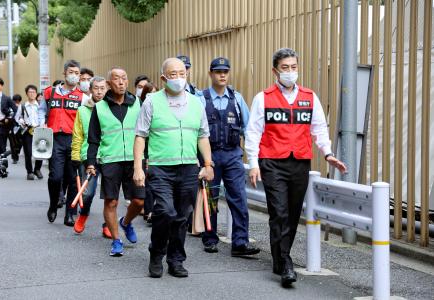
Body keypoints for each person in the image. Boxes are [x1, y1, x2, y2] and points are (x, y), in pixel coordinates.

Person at [245, 48, 347, 287]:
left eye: (294, 67)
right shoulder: (264, 97)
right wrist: (252, 164)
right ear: (275, 71)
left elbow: (319, 128)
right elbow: (253, 133)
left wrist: (328, 153)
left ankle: (280, 259)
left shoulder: (310, 97)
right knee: (279, 212)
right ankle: (286, 263)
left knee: (291, 214)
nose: (290, 72)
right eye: (285, 68)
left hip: (300, 162)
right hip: (271, 162)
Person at [133, 58, 214, 278]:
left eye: (182, 73)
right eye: (173, 74)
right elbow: (140, 136)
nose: (178, 78)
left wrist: (208, 163)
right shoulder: (151, 102)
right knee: (165, 211)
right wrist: (138, 168)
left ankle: (176, 259)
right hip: (160, 168)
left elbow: (203, 136)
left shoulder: (197, 102)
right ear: (163, 78)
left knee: (181, 216)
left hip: (188, 167)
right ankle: (156, 254)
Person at [199, 57, 260, 256]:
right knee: (211, 199)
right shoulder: (201, 98)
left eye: (225, 71)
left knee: (239, 198)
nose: (222, 75)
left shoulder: (237, 98)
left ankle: (240, 242)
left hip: (233, 155)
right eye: (218, 71)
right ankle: (209, 238)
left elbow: (248, 128)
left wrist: (253, 159)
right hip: (211, 156)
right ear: (211, 74)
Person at [86, 67, 145, 256]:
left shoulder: (138, 103)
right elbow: (93, 138)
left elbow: (146, 133)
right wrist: (90, 163)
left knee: (139, 201)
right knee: (111, 202)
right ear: (110, 84)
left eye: (124, 78)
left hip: (135, 160)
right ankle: (116, 240)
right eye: (116, 79)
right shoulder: (100, 107)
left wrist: (149, 158)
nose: (120, 82)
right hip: (110, 160)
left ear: (127, 82)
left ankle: (125, 222)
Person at [39, 59, 89, 226]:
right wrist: (41, 123)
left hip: (75, 140)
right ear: (64, 73)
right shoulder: (49, 92)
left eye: (77, 73)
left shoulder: (83, 97)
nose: (74, 76)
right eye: (71, 72)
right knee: (55, 177)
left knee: (73, 177)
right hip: (55, 139)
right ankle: (53, 205)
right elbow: (41, 110)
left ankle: (70, 214)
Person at [71, 76, 111, 238]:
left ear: (107, 89)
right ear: (90, 90)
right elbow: (78, 136)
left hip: (109, 155)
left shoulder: (112, 108)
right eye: (96, 88)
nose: (99, 91)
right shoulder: (82, 110)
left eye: (102, 88)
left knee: (110, 194)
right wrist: (75, 156)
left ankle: (108, 224)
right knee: (87, 193)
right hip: (89, 157)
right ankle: (83, 214)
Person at [138, 82, 158, 225]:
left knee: (154, 183)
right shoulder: (140, 108)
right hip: (144, 152)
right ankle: (149, 211)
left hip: (156, 151)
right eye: (150, 93)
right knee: (148, 184)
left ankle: (152, 210)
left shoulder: (159, 108)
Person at [15, 85, 44, 180]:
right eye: (30, 92)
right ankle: (29, 172)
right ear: (27, 93)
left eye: (33, 92)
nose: (32, 94)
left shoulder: (40, 105)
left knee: (40, 151)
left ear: (36, 93)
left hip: (39, 130)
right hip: (27, 131)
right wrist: (21, 121)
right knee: (28, 152)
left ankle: (37, 169)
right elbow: (17, 117)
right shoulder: (22, 106)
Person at [8, 94, 23, 164]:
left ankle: (17, 151)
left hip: (21, 127)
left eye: (18, 101)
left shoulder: (22, 107)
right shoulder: (10, 108)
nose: (16, 103)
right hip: (11, 127)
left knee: (20, 142)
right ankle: (14, 158)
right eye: (15, 101)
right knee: (12, 143)